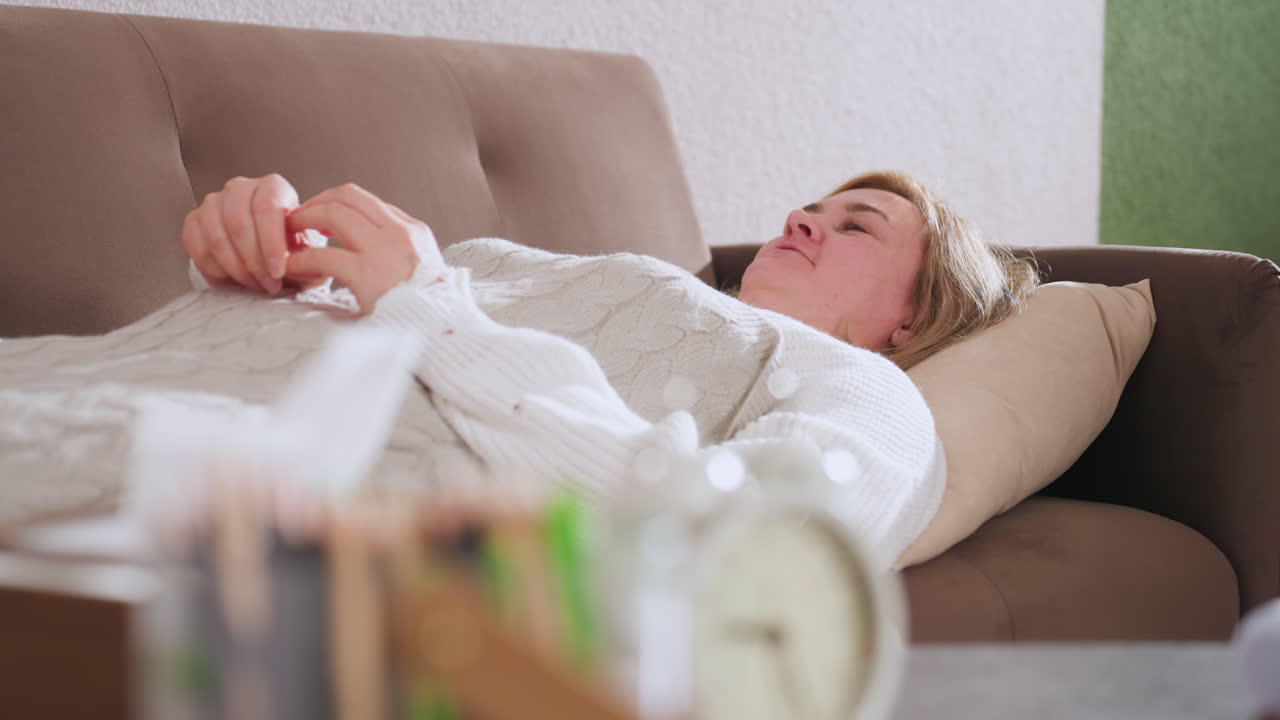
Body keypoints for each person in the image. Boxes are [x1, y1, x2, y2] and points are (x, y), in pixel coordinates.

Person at [0, 170, 1037, 564]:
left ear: (910, 320)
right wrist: (250, 249)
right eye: (811, 202)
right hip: (131, 364)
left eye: (855, 223)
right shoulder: (594, 279)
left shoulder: (872, 398)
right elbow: (367, 317)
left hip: (265, 454)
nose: (803, 216)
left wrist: (425, 304)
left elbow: (735, 538)